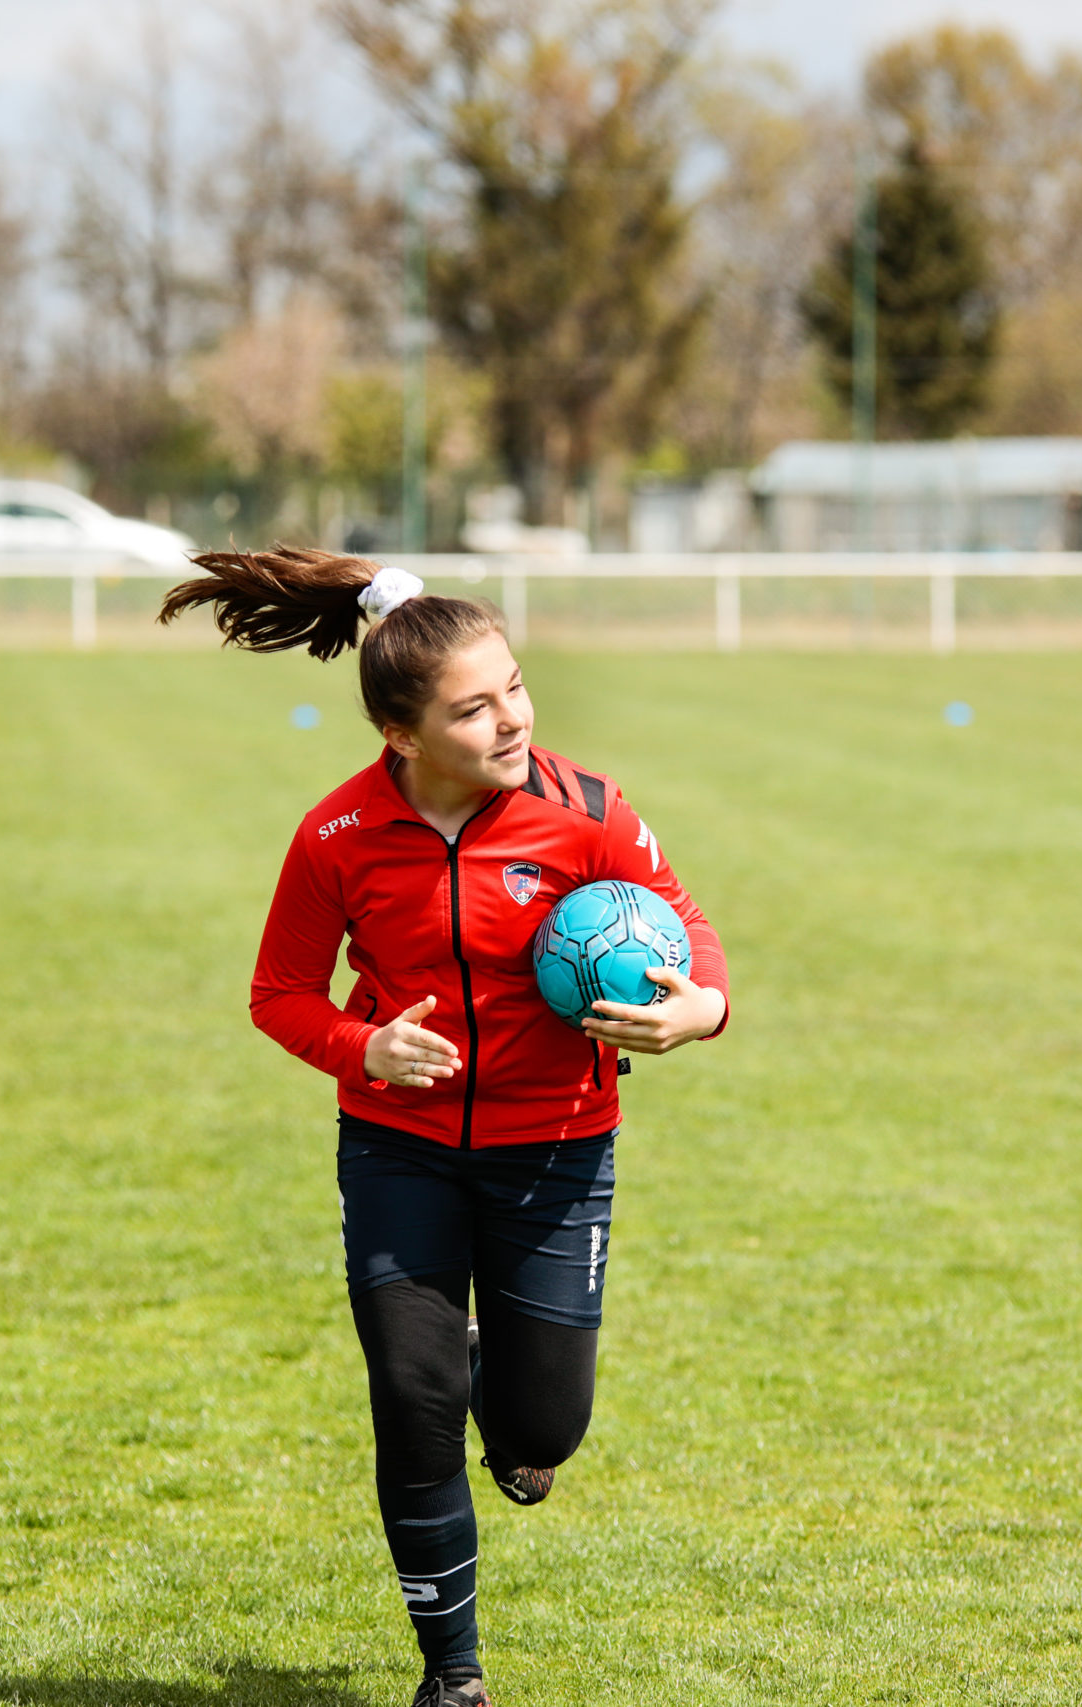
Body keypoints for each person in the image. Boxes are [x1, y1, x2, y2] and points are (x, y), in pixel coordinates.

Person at [160, 548, 732, 1707]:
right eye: (474, 708)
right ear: (402, 735)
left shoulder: (588, 813)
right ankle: (452, 1676)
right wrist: (359, 1047)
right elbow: (279, 995)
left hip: (557, 1149)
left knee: (540, 1431)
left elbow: (687, 929)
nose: (513, 717)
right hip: (396, 1151)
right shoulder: (336, 838)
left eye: (514, 686)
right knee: (413, 1400)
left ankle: (500, 1384)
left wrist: (701, 1008)